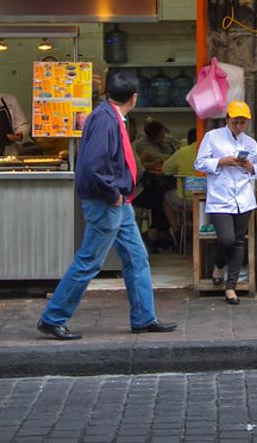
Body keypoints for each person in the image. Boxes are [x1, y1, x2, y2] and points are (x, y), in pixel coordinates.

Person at [36, 70, 176, 339]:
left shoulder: (107, 116)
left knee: (137, 258)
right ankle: (53, 317)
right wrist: (113, 194)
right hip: (107, 203)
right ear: (134, 98)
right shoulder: (107, 121)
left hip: (117, 204)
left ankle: (144, 317)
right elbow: (93, 166)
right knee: (89, 261)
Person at [195, 101, 257, 305]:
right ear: (227, 120)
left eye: (243, 123)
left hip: (244, 198)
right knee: (227, 239)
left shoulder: (250, 143)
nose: (239, 127)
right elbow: (199, 163)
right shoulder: (212, 138)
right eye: (235, 122)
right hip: (220, 198)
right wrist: (222, 162)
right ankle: (218, 266)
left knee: (239, 241)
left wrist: (250, 166)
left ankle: (230, 286)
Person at [131, 119, 180, 250]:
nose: (164, 137)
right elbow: (161, 158)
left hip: (152, 182)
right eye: (161, 135)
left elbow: (169, 154)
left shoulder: (162, 142)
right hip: (139, 187)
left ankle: (158, 232)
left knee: (165, 193)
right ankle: (156, 232)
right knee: (164, 199)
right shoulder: (142, 145)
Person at [160, 128, 200, 241]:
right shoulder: (211, 151)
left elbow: (165, 169)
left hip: (185, 199)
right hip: (206, 199)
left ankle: (177, 231)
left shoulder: (183, 152)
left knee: (166, 198)